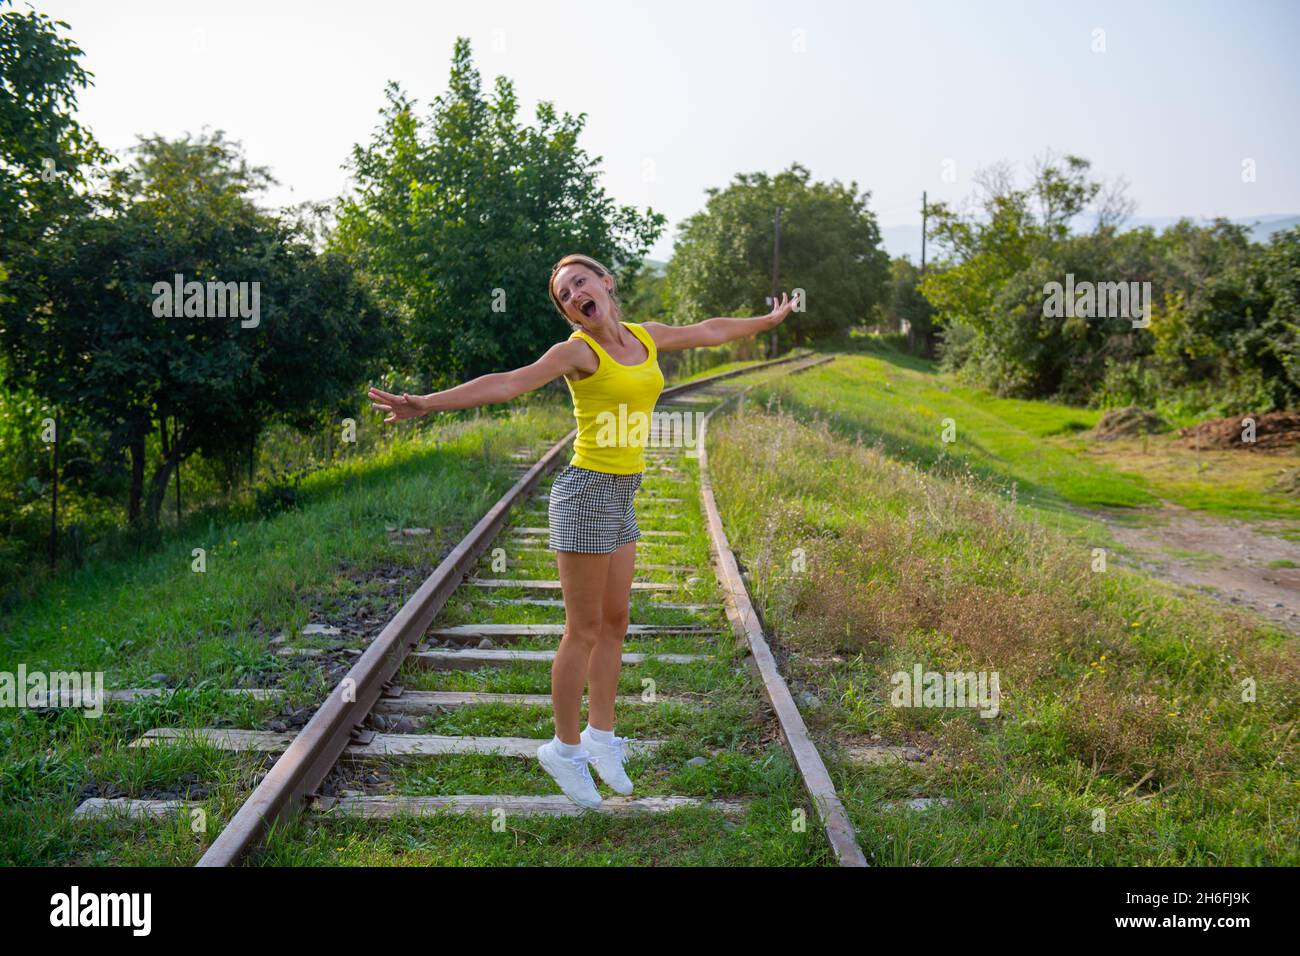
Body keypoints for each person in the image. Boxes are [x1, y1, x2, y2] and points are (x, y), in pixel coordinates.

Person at [368, 253, 800, 807]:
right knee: (583, 629)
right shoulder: (577, 351)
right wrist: (426, 403)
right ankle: (564, 750)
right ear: (569, 313)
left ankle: (601, 738)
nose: (574, 296)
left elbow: (708, 330)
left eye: (579, 283)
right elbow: (507, 384)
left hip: (623, 492)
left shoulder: (644, 337)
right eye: (564, 296)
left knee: (616, 622)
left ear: (605, 282)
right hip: (585, 493)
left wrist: (765, 323)